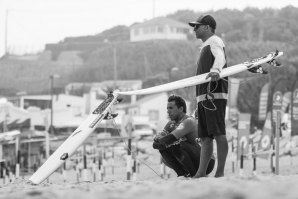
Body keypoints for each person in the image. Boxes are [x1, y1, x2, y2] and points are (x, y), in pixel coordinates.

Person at [188, 14, 229, 178]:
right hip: (203, 96)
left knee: (218, 133)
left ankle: (219, 173)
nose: (194, 29)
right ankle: (200, 173)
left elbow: (220, 57)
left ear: (206, 27)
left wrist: (216, 70)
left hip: (214, 95)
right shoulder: (205, 45)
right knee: (205, 137)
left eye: (196, 26)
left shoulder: (214, 41)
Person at [153, 95, 215, 177]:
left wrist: (162, 140)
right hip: (190, 157)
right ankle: (182, 174)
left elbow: (167, 139)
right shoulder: (170, 124)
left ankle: (193, 175)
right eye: (167, 108)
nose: (168, 111)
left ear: (181, 109)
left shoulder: (188, 121)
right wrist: (159, 139)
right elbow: (156, 144)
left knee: (179, 145)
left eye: (171, 108)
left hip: (207, 161)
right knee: (164, 149)